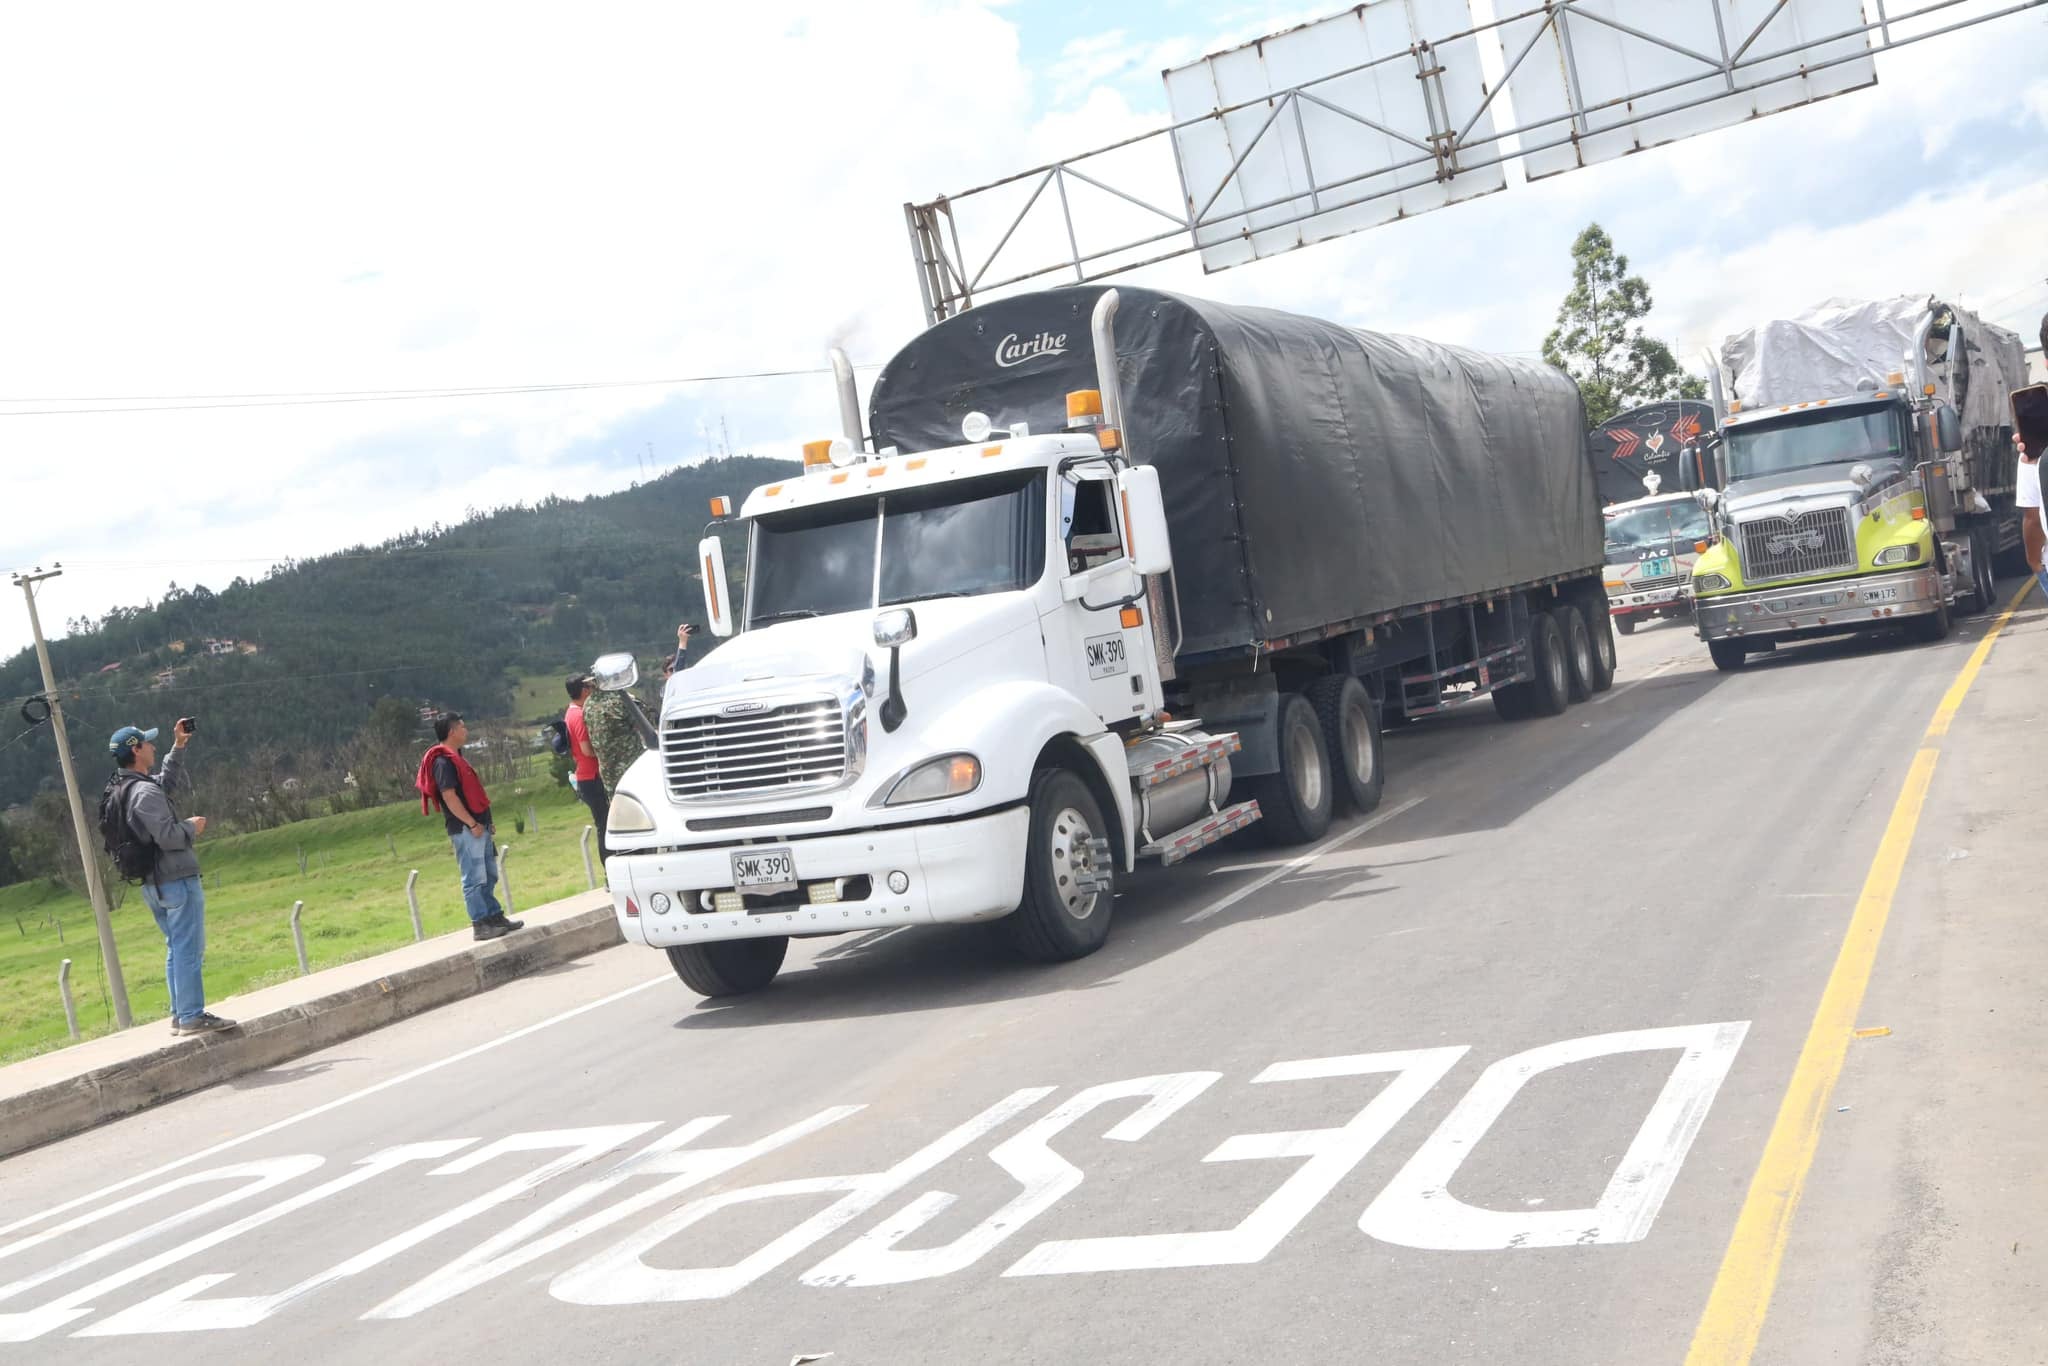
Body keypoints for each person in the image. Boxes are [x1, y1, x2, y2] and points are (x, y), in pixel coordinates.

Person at [109, 719, 235, 1035]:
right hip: (175, 881)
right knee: (188, 950)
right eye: (148, 743)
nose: (153, 746)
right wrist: (192, 826)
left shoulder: (125, 789)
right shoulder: (144, 793)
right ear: (136, 750)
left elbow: (165, 782)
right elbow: (168, 837)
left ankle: (181, 1015)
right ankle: (192, 1016)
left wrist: (178, 746)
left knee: (176, 948)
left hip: (155, 884)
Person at [414, 714, 525, 942]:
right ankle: (480, 924)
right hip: (466, 828)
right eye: (462, 727)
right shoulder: (443, 762)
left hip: (479, 824)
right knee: (474, 877)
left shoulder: (457, 757)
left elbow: (473, 792)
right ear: (452, 732)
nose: (466, 731)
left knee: (489, 874)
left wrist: (486, 821)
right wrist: (471, 823)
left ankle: (494, 916)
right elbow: (449, 797)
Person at [563, 675, 608, 859]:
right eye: (589, 686)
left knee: (604, 823)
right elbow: (586, 749)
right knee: (605, 824)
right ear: (584, 691)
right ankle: (609, 865)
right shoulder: (579, 715)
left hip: (586, 776)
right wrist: (606, 752)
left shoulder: (570, 712)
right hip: (592, 776)